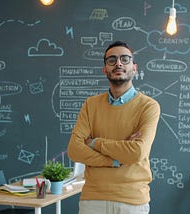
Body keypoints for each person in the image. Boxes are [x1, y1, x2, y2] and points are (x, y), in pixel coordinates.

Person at [68, 41, 161, 214]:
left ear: (134, 67)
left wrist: (94, 142)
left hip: (132, 201)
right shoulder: (90, 105)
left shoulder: (149, 106)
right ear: (105, 70)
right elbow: (74, 150)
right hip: (92, 200)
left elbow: (137, 152)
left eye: (125, 59)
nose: (118, 63)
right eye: (111, 60)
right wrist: (114, 161)